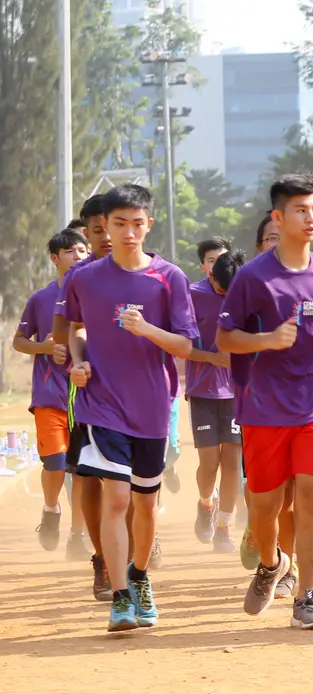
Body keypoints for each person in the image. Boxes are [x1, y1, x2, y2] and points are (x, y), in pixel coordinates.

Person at [218, 172, 313, 630]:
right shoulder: (252, 278)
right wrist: (267, 339)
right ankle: (271, 561)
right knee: (265, 506)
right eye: (300, 210)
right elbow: (225, 338)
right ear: (278, 217)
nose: (309, 217)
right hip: (264, 407)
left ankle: (307, 596)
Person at [64, 183, 198, 632]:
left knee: (146, 505)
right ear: (105, 226)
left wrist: (148, 330)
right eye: (117, 224)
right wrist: (79, 363)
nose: (127, 232)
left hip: (153, 407)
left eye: (136, 224)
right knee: (116, 497)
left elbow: (185, 345)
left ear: (148, 225)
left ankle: (140, 577)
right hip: (102, 405)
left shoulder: (169, 278)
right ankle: (120, 596)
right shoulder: (84, 277)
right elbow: (76, 330)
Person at [53, 195, 114, 596]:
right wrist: (74, 354)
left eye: (121, 223)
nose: (111, 235)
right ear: (88, 232)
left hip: (144, 396)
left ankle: (134, 556)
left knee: (139, 487)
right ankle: (104, 559)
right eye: (100, 228)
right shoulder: (80, 277)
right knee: (91, 477)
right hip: (92, 393)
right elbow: (65, 329)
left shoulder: (161, 274)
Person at [17, 229, 89, 553]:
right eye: (71, 252)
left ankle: (78, 534)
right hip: (49, 395)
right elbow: (19, 341)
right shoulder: (40, 299)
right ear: (55, 259)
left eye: (82, 251)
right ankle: (50, 509)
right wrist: (44, 347)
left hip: (87, 397)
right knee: (56, 465)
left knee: (82, 470)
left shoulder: (97, 297)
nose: (78, 257)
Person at [184, 238, 244, 552]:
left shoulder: (245, 292)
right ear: (209, 274)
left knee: (233, 461)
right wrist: (211, 358)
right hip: (203, 389)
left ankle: (224, 526)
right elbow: (179, 343)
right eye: (221, 290)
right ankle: (206, 504)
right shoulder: (192, 295)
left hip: (236, 391)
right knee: (209, 464)